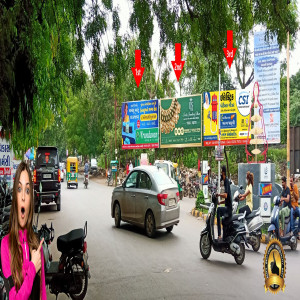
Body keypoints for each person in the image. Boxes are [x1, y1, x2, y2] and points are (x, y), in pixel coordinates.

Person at [1, 161, 47, 299]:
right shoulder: (5, 245)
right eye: (19, 189)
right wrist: (32, 267)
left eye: (27, 191)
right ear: (15, 198)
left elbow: (42, 294)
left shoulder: (36, 243)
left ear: (30, 200)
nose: (22, 196)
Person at [216, 166, 232, 240]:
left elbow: (225, 195)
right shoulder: (226, 181)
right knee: (222, 216)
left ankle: (219, 235)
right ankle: (223, 235)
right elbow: (227, 198)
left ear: (223, 173)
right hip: (228, 206)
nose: (220, 175)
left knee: (218, 210)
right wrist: (220, 202)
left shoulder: (226, 181)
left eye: (221, 173)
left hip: (229, 209)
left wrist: (219, 194)